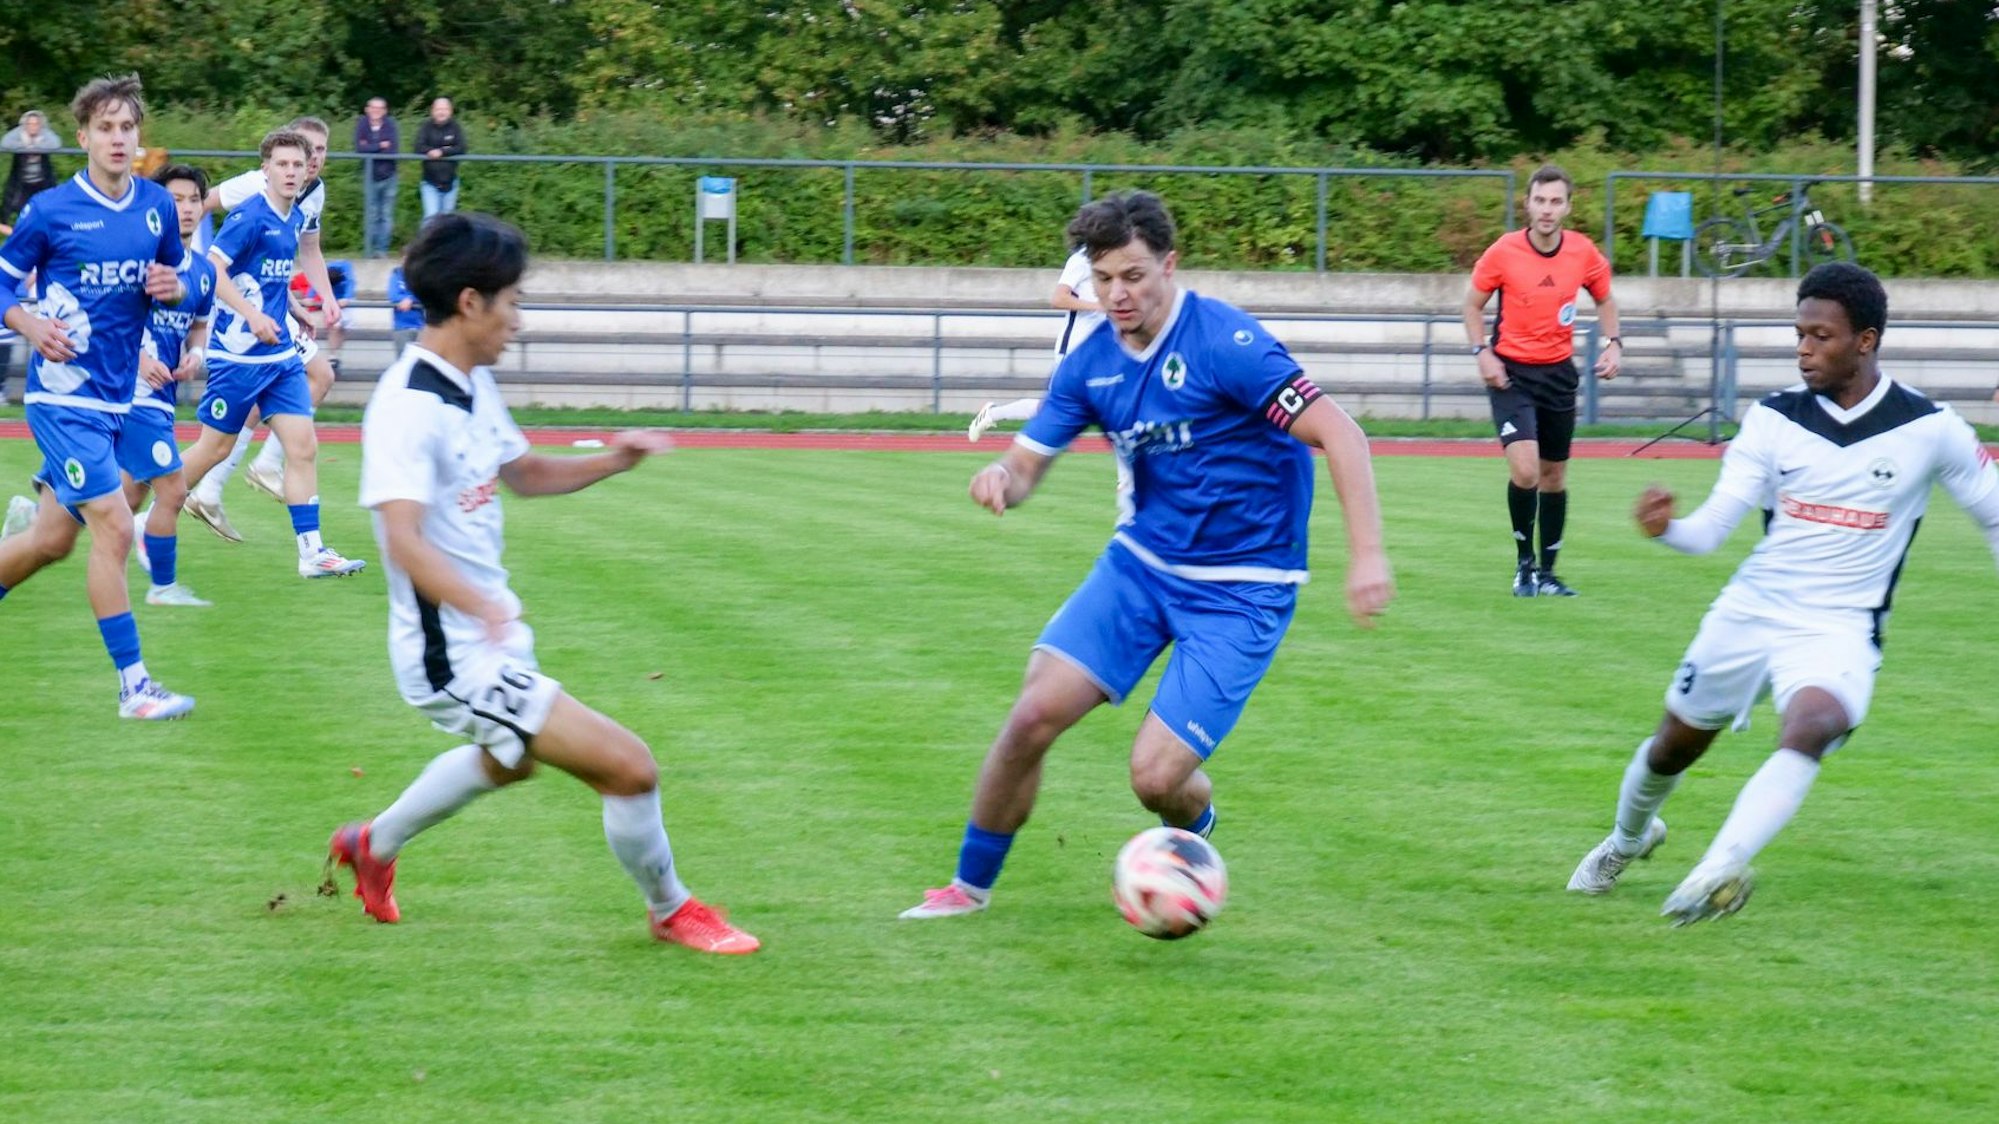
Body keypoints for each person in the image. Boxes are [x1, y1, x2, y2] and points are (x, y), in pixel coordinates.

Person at [900, 191, 1395, 920]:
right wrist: (1002, 479)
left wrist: (1368, 556)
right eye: (1103, 279)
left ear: (1168, 264)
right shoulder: (1089, 365)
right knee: (1032, 715)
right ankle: (965, 890)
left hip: (1242, 587)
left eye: (1132, 276)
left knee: (1155, 778)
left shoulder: (1225, 344)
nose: (1117, 294)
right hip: (1141, 568)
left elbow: (1340, 433)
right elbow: (1028, 462)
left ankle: (1191, 831)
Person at [327, 212, 760, 954]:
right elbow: (401, 539)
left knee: (510, 759)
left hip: (483, 638)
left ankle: (373, 844)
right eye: (512, 302)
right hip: (451, 656)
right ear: (470, 302)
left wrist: (614, 460)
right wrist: (480, 606)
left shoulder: (471, 381)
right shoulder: (405, 407)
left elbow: (522, 474)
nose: (517, 321)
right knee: (628, 766)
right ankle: (671, 909)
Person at [1566, 262, 1999, 926]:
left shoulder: (1930, 427)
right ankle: (1628, 841)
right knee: (1672, 748)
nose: (1802, 349)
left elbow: (1992, 510)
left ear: (1865, 340)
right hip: (1752, 609)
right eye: (1797, 333)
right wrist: (1665, 529)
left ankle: (1718, 866)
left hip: (1841, 626)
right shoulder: (1769, 419)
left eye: (1819, 336)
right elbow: (1712, 530)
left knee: (1815, 724)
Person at [0, 74, 196, 719]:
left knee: (53, 541)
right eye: (106, 128)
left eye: (127, 128)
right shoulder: (51, 210)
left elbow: (168, 281)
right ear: (82, 136)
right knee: (114, 526)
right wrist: (27, 321)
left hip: (119, 399)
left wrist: (168, 288)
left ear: (140, 138)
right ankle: (134, 688)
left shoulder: (156, 207)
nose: (118, 138)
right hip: (62, 401)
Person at [175, 128, 365, 579]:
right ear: (265, 168)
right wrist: (251, 315)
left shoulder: (294, 216)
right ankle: (142, 518)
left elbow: (270, 277)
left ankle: (312, 552)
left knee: (302, 447)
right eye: (282, 164)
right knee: (212, 449)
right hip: (238, 357)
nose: (292, 171)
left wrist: (295, 308)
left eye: (298, 164)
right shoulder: (249, 216)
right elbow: (214, 271)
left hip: (278, 358)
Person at [1462, 163, 1622, 599]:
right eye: (1539, 200)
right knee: (1526, 468)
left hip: (1558, 374)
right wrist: (1483, 353)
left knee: (1553, 475)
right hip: (1511, 375)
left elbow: (1606, 298)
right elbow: (1471, 306)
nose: (1547, 210)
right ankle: (1524, 566)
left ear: (1568, 207)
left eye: (1555, 201)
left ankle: (1549, 574)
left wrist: (1614, 343)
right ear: (1527, 204)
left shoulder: (1583, 252)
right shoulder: (1503, 252)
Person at [120, 163, 218, 607]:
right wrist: (139, 359)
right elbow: (110, 321)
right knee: (174, 490)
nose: (186, 208)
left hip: (161, 397)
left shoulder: (203, 271)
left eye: (194, 199)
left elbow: (197, 327)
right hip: (129, 393)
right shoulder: (138, 260)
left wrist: (196, 355)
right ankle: (163, 586)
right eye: (175, 199)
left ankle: (31, 524)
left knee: (126, 495)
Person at [968, 244, 1105, 442]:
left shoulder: (1113, 258)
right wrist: (1099, 307)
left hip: (1102, 349)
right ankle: (993, 413)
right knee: (1051, 409)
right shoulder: (1081, 259)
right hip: (1074, 349)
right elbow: (1059, 299)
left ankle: (1130, 472)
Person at [354, 97, 399, 257]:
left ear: (385, 111)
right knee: (371, 214)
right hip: (369, 176)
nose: (376, 111)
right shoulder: (362, 124)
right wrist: (380, 145)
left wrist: (370, 147)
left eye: (380, 108)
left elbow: (393, 150)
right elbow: (359, 149)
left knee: (385, 215)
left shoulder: (390, 125)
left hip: (389, 176)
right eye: (373, 107)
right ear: (367, 109)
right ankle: (369, 250)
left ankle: (382, 250)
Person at [1, 110, 63, 226]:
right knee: (19, 209)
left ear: (40, 125)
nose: (33, 127)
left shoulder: (44, 133)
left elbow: (56, 143)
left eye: (36, 124)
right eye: (30, 124)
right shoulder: (19, 133)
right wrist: (24, 146)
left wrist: (36, 147)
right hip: (22, 182)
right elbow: (5, 142)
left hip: (42, 181)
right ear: (25, 125)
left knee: (47, 208)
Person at [415, 98, 465, 220]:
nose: (441, 112)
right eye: (438, 109)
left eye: (444, 109)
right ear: (432, 111)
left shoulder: (455, 127)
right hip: (429, 182)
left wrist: (441, 151)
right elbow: (418, 146)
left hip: (450, 182)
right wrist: (430, 151)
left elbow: (461, 147)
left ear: (450, 111)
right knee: (430, 219)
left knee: (447, 222)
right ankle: (427, 240)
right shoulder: (426, 127)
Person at [387, 262, 423, 352]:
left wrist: (410, 299)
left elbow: (425, 294)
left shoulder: (421, 275)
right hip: (401, 326)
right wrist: (407, 299)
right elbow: (393, 296)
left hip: (421, 326)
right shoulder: (396, 275)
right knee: (402, 358)